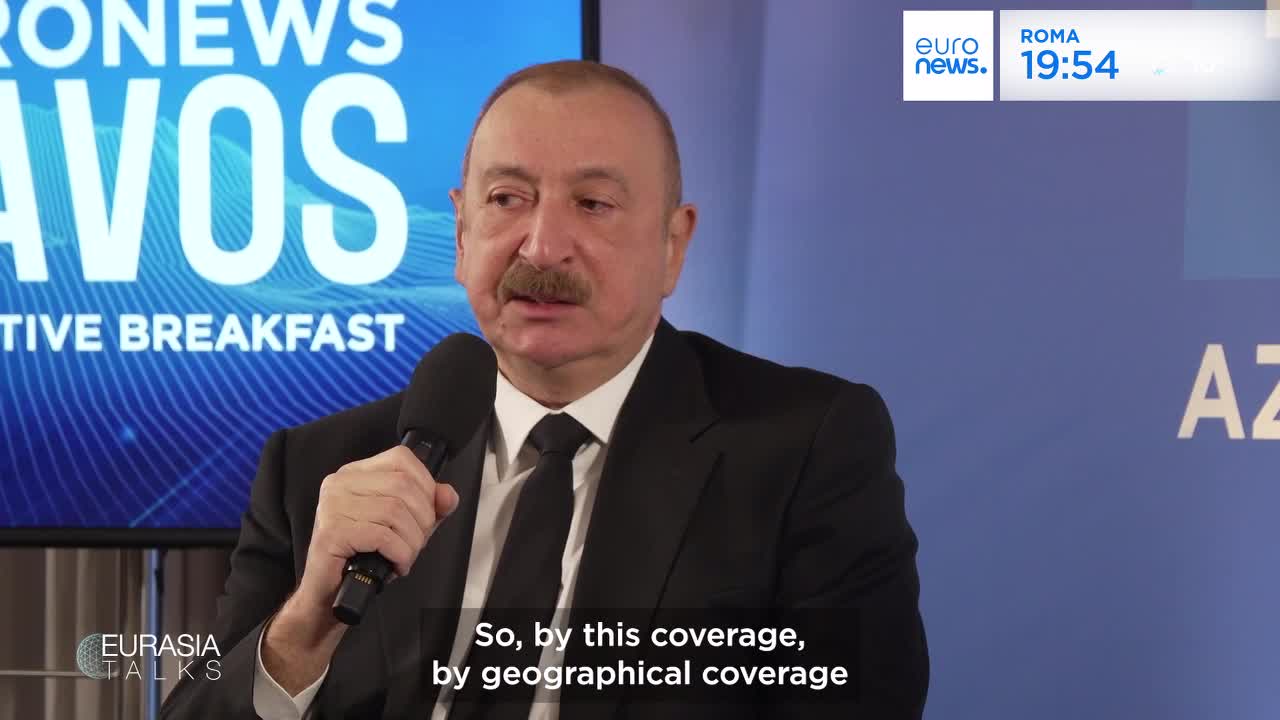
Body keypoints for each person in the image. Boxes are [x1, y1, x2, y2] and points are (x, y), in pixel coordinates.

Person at [160, 60, 928, 720]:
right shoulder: (318, 466)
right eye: (507, 199)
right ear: (461, 234)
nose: (542, 245)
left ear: (674, 243)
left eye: (592, 204)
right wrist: (306, 628)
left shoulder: (804, 447)